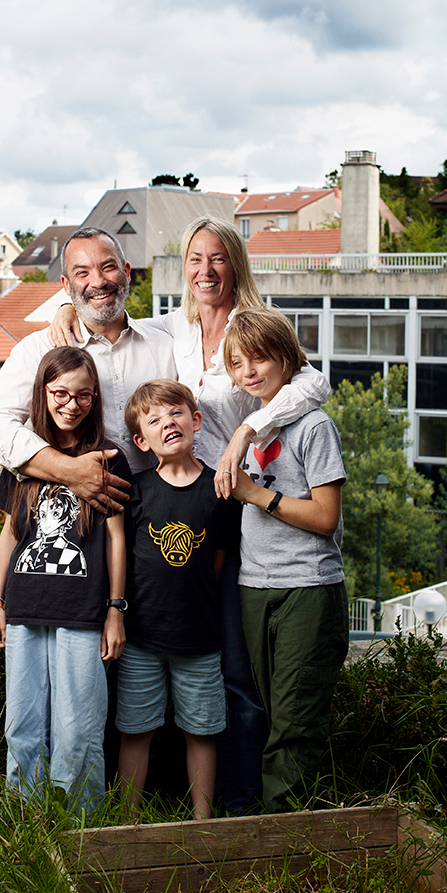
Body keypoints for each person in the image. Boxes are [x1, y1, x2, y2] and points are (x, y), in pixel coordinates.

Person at [49, 216, 332, 814]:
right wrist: (65, 317)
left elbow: (314, 384)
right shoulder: (170, 329)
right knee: (158, 663)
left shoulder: (255, 328)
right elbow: (110, 320)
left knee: (232, 668)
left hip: (238, 507)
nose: (206, 271)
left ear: (236, 264)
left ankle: (239, 805)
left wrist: (248, 430)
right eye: (195, 260)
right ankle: (160, 804)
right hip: (175, 501)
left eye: (218, 259)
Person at [0, 347, 131, 811]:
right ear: (43, 392)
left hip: (83, 614)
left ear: (96, 398)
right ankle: (24, 821)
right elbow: (10, 535)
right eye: (60, 393)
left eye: (84, 395)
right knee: (21, 726)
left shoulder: (109, 458)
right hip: (25, 608)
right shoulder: (24, 457)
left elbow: (115, 541)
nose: (71, 404)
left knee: (79, 726)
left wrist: (115, 610)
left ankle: (82, 828)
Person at [222, 308, 348, 815]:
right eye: (236, 363)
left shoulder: (314, 427)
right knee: (269, 715)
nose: (248, 371)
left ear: (286, 359)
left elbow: (326, 517)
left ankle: (288, 838)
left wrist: (256, 495)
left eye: (259, 358)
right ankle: (271, 831)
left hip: (307, 587)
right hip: (255, 585)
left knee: (295, 723)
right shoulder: (247, 427)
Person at [0, 227, 176, 508]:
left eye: (108, 267)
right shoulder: (38, 349)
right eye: (82, 273)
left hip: (160, 512)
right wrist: (67, 471)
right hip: (84, 522)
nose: (98, 281)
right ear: (66, 284)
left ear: (127, 271)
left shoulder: (165, 343)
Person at [117, 380, 236, 820]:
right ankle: (126, 823)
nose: (168, 423)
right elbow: (124, 559)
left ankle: (204, 826)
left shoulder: (219, 490)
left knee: (202, 732)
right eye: (154, 420)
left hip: (200, 640)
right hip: (141, 639)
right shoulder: (136, 490)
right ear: (140, 440)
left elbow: (219, 558)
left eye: (176, 413)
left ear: (196, 421)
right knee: (135, 730)